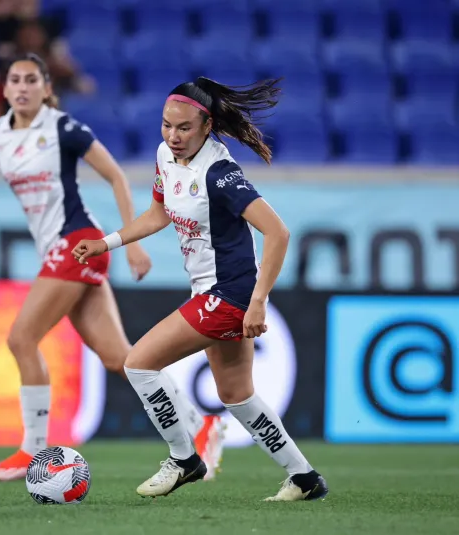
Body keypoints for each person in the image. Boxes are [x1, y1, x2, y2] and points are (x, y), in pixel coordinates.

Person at [0, 53, 225, 482]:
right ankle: (201, 425)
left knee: (21, 337)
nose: (23, 87)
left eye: (32, 80)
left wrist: (132, 244)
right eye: (15, 80)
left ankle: (33, 450)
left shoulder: (62, 128)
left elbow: (117, 176)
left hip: (78, 240)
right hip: (62, 248)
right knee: (120, 358)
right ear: (4, 89)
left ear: (47, 88)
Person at [71, 77, 329, 501]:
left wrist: (258, 302)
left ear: (206, 126)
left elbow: (278, 234)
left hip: (228, 294)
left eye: (184, 128)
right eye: (166, 125)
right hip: (208, 290)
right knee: (237, 395)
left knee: (138, 363)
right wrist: (107, 242)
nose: (173, 136)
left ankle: (183, 459)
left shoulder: (220, 174)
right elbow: (157, 216)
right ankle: (304, 478)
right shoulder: (165, 156)